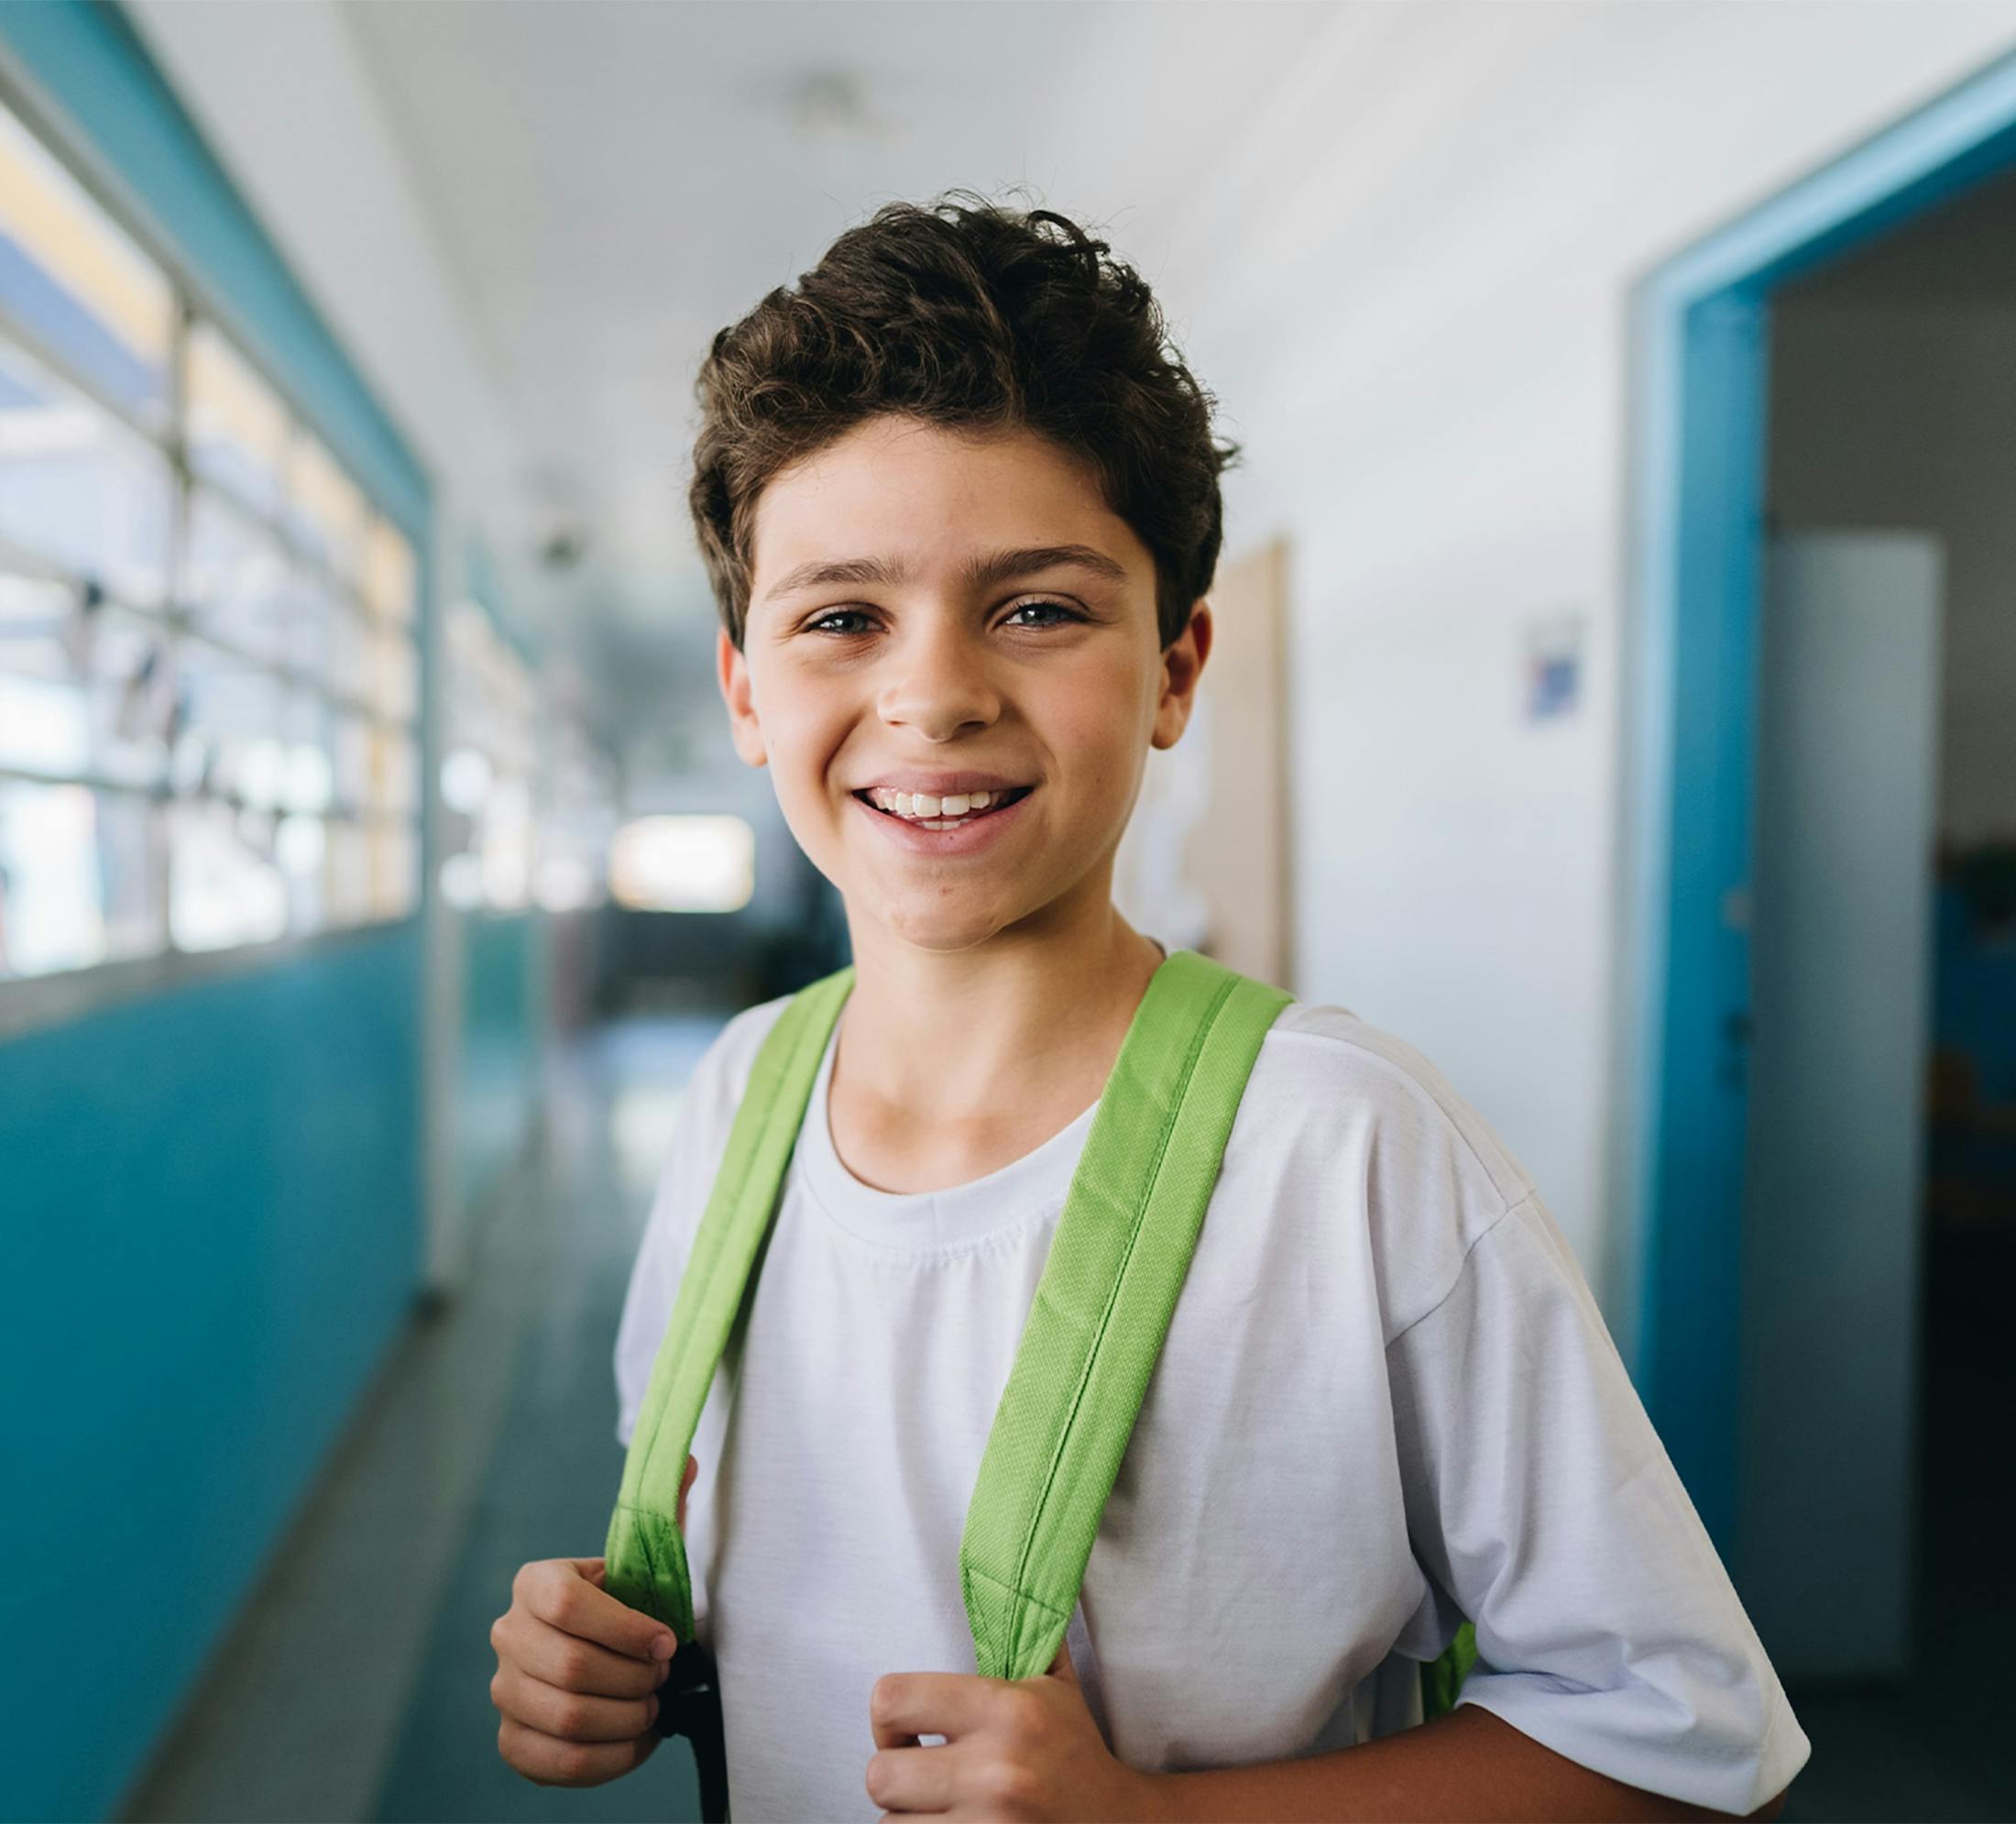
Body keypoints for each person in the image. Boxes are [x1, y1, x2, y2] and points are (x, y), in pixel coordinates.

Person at [488, 193, 1809, 1821]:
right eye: (842, 616)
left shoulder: (1345, 1149)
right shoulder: (741, 1091)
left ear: (1178, 667)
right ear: (747, 690)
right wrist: (626, 1644)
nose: (935, 692)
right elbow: (753, 1548)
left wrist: (1161, 1818)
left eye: (1037, 606)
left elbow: (1679, 1736)